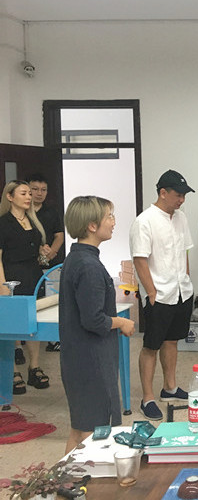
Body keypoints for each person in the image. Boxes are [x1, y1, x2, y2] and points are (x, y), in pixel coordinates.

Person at [59, 196, 135, 454]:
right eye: (109, 217)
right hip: (90, 360)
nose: (113, 222)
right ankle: (85, 478)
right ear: (92, 226)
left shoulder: (78, 258)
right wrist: (122, 321)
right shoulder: (88, 266)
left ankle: (65, 477)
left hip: (79, 357)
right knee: (92, 434)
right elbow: (93, 319)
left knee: (79, 429)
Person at [129, 170, 195, 421]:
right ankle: (147, 398)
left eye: (184, 196)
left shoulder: (181, 218)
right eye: (178, 195)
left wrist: (186, 280)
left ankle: (170, 387)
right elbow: (140, 259)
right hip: (158, 294)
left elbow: (184, 252)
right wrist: (151, 292)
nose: (181, 200)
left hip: (181, 291)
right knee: (151, 345)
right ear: (163, 193)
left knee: (172, 341)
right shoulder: (144, 221)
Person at [0, 180, 51, 394]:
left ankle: (34, 366)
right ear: (10, 196)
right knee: (12, 324)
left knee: (33, 322)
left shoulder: (33, 220)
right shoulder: (3, 223)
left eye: (30, 193)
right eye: (24, 193)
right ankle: (12, 370)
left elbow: (32, 247)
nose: (29, 197)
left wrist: (42, 250)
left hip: (33, 275)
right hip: (11, 276)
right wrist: (2, 285)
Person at [27, 173, 65, 352]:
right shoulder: (22, 212)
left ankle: (53, 339)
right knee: (31, 301)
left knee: (52, 300)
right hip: (28, 264)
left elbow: (59, 235)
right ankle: (24, 339)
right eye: (34, 189)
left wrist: (50, 254)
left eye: (43, 190)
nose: (39, 193)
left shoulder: (51, 212)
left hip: (51, 263)